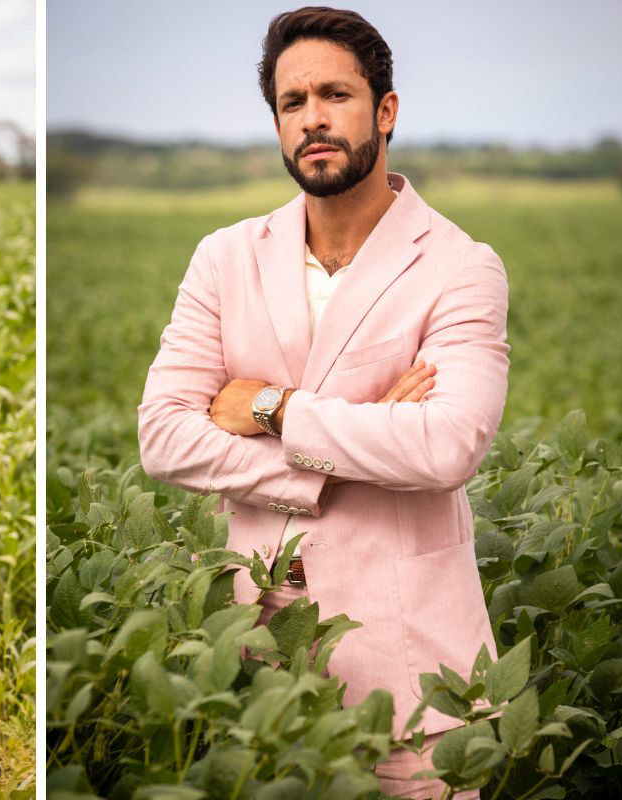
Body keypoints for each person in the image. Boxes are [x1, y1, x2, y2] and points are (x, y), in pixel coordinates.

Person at [137, 7, 507, 798]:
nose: (312, 119)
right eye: (291, 102)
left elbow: (446, 446)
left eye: (334, 94)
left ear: (386, 110)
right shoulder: (225, 257)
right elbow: (164, 436)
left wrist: (272, 408)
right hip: (263, 674)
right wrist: (346, 455)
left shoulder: (460, 266)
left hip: (416, 681)